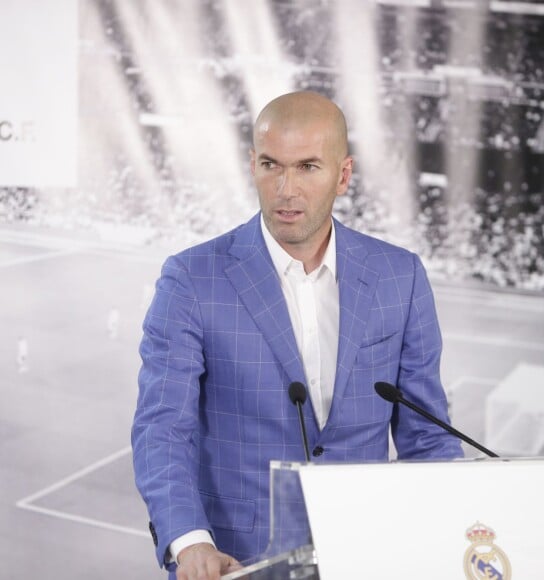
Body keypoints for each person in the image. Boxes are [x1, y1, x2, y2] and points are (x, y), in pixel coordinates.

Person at [132, 91, 463, 580]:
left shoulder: (401, 277)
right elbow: (162, 427)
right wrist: (190, 541)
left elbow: (428, 436)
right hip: (234, 563)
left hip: (367, 555)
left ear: (343, 175)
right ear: (253, 165)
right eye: (271, 165)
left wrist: (452, 528)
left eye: (308, 167)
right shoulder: (191, 279)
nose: (285, 188)